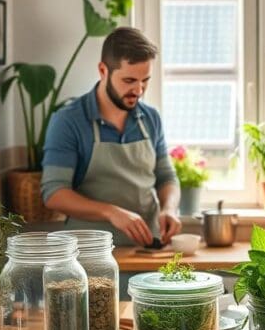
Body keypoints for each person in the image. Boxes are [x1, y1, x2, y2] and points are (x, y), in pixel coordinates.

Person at [41, 27, 182, 247]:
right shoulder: (69, 121)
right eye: (129, 80)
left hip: (146, 249)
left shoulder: (150, 118)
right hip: (89, 253)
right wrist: (110, 212)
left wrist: (169, 208)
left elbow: (166, 177)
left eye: (145, 80)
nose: (139, 90)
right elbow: (54, 194)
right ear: (103, 70)